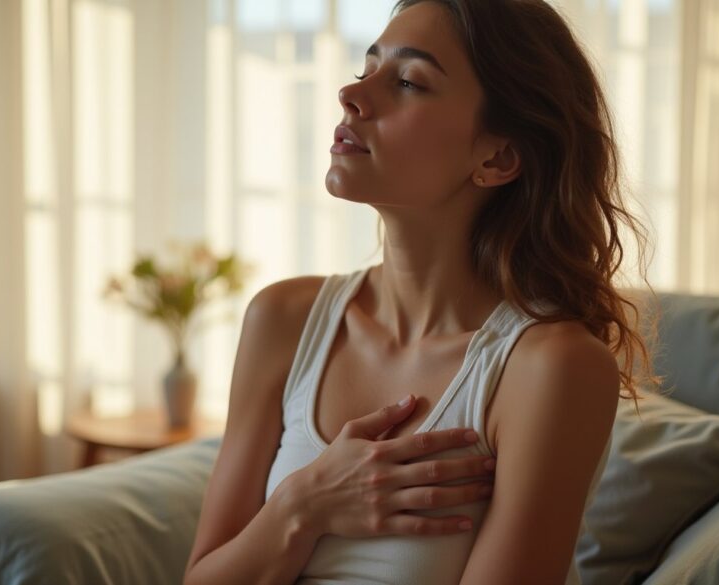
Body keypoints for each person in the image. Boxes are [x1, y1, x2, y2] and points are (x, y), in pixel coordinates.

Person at [184, 1, 660, 583]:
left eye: (408, 81)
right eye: (367, 68)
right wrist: (302, 505)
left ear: (498, 156)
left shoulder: (550, 368)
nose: (350, 94)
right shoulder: (282, 319)